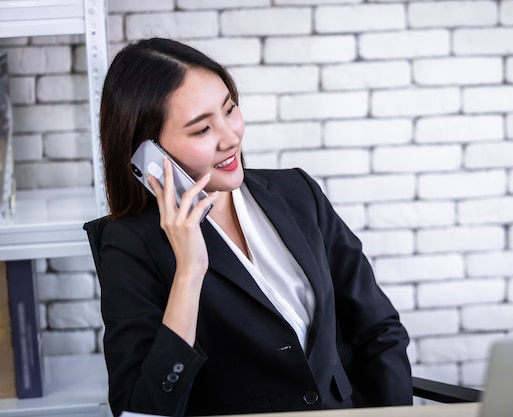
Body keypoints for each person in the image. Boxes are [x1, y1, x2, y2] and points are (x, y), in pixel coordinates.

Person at [95, 37, 412, 417]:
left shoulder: (297, 191)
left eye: (230, 110)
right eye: (201, 130)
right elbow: (142, 409)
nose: (230, 137)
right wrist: (189, 272)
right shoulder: (131, 245)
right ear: (148, 153)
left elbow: (378, 329)